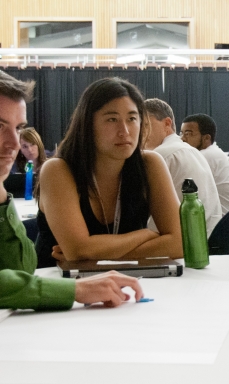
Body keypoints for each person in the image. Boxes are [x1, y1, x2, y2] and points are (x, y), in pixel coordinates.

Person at [0, 72, 146, 310]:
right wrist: (75, 290)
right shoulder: (59, 169)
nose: (15, 144)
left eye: (18, 128)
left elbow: (19, 271)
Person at [33, 78, 182, 270]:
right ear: (87, 124)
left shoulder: (150, 164)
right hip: (61, 289)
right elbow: (77, 250)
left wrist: (95, 254)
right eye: (112, 119)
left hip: (130, 284)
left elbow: (179, 243)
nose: (125, 131)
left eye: (132, 118)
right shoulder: (58, 170)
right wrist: (146, 235)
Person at [144, 99, 223, 234]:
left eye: (145, 125)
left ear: (167, 124)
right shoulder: (191, 151)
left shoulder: (162, 154)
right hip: (209, 239)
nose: (139, 132)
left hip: (179, 245)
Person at [180, 113, 229, 214]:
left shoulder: (207, 156)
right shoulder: (212, 152)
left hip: (228, 223)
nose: (182, 139)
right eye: (181, 133)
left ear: (206, 138)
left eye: (188, 134)